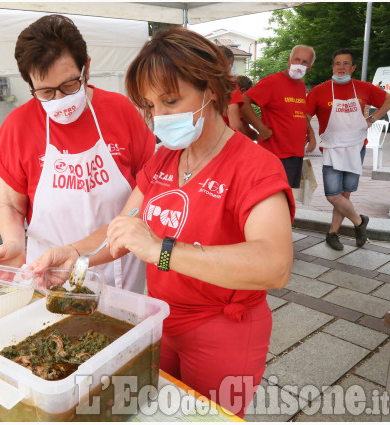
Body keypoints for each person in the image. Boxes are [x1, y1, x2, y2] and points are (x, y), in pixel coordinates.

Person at [31, 27, 294, 418]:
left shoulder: (255, 166)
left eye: (171, 100)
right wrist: (72, 255)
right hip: (160, 319)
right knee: (154, 411)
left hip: (223, 329)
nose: (159, 117)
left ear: (211, 89)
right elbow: (122, 228)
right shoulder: (164, 160)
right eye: (150, 106)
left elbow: (274, 264)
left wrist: (161, 251)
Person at [0, 15, 155, 293]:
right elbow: (9, 204)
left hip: (119, 275)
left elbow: (149, 189)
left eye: (69, 86)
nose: (60, 101)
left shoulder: (121, 112)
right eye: (46, 92)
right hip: (49, 275)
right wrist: (15, 242)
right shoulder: (18, 127)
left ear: (86, 67)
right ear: (29, 83)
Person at [306, 48, 390, 250]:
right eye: (338, 63)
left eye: (346, 63)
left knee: (344, 195)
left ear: (353, 67)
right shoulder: (319, 91)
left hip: (356, 148)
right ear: (332, 66)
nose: (341, 67)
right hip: (331, 149)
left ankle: (332, 234)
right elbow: (304, 115)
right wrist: (310, 136)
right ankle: (359, 221)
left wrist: (372, 118)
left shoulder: (363, 88)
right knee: (332, 195)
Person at [240, 45, 317, 188]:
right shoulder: (272, 82)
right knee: (274, 199)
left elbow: (300, 114)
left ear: (309, 67)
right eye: (297, 60)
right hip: (275, 154)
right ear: (289, 61)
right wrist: (261, 128)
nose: (299, 65)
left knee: (288, 199)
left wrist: (311, 134)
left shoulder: (300, 86)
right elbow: (243, 102)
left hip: (295, 154)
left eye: (305, 62)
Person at [217, 45, 244, 133]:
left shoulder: (197, 82)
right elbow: (235, 125)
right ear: (230, 65)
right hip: (221, 141)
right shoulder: (229, 85)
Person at [234, 75, 259, 140]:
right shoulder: (240, 106)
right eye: (251, 92)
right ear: (243, 90)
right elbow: (247, 132)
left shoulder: (224, 101)